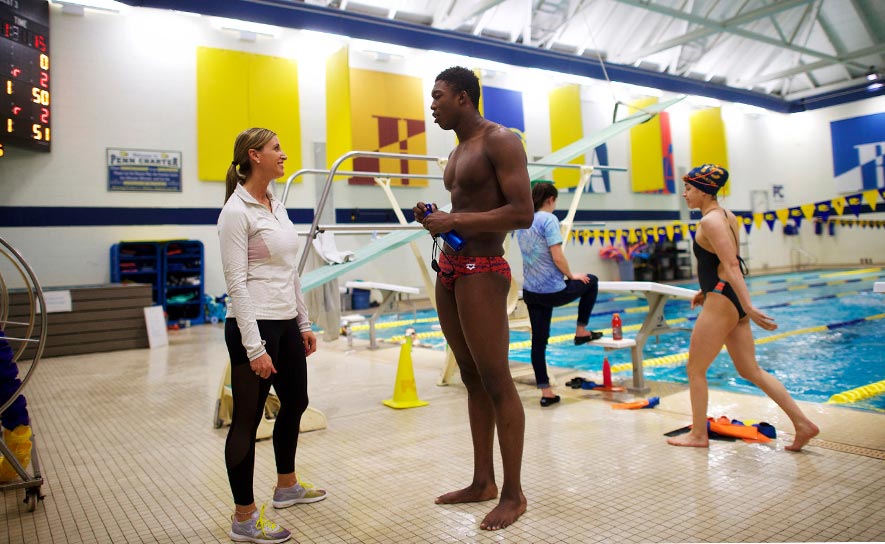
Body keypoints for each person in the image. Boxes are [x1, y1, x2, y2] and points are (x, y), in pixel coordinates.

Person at [413, 66, 534, 531]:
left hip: (483, 270)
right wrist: (438, 216)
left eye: (438, 96)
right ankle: (482, 480)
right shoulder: (458, 148)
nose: (433, 104)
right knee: (470, 375)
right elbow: (466, 208)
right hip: (451, 268)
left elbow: (522, 213)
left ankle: (513, 493)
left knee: (497, 379)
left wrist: (456, 223)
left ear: (463, 97)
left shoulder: (499, 140)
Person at [218, 128, 326, 544]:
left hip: (284, 323)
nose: (284, 154)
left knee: (296, 401)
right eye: (276, 148)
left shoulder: (275, 205)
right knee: (246, 419)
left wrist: (302, 323)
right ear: (254, 156)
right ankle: (243, 518)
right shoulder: (235, 211)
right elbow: (237, 284)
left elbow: (289, 272)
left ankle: (287, 487)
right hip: (254, 326)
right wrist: (253, 347)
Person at [666, 164, 819, 451]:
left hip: (724, 300)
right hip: (727, 297)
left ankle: (699, 434)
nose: (685, 194)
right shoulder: (726, 216)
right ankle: (803, 424)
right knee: (751, 370)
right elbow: (722, 261)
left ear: (703, 190)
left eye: (688, 189)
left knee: (695, 370)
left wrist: (748, 306)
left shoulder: (710, 221)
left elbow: (732, 264)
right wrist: (706, 289)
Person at [516, 182, 603, 407]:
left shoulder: (523, 221)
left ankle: (546, 393)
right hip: (552, 291)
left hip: (531, 292)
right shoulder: (549, 220)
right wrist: (572, 275)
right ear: (551, 199)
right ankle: (581, 330)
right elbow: (557, 255)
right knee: (591, 281)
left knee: (538, 343)